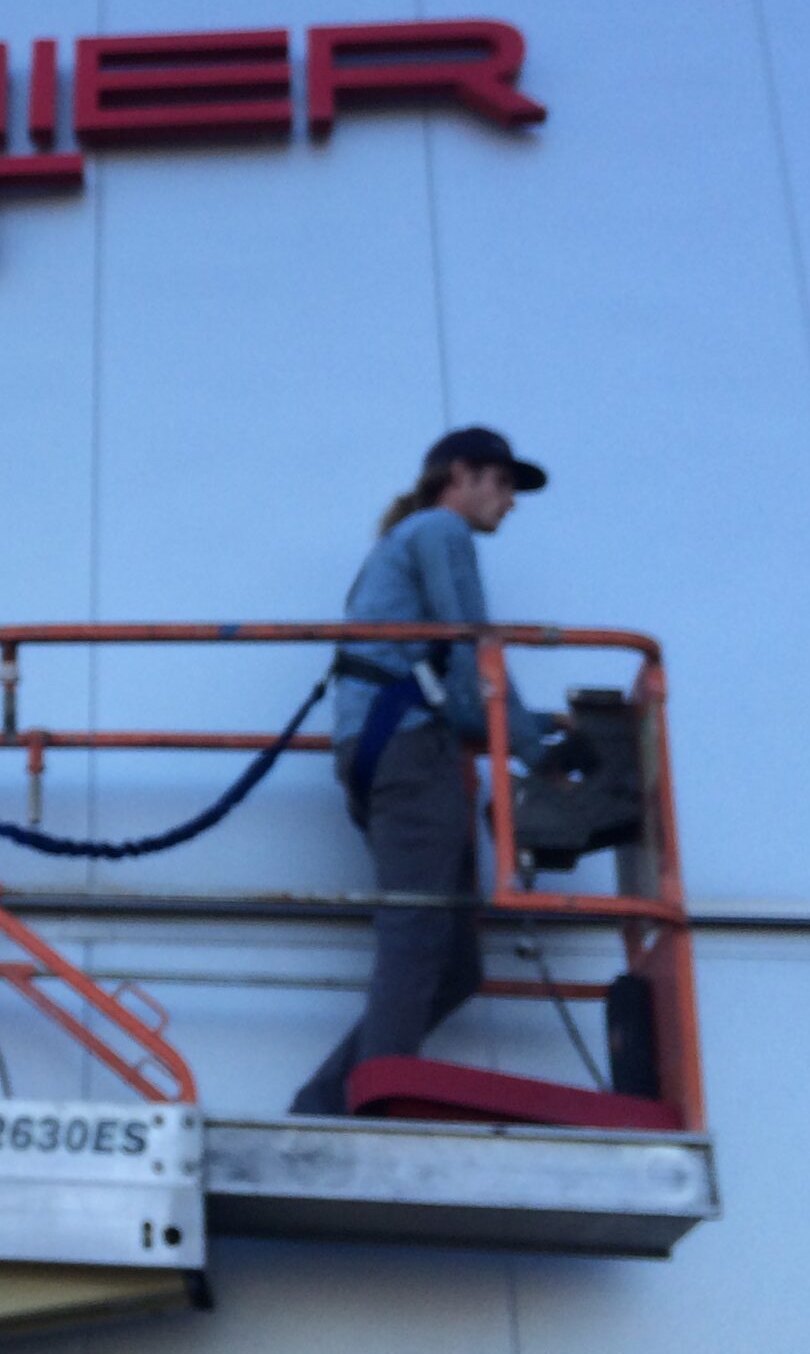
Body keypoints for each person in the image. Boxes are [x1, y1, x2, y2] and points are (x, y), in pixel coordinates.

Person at [289, 425, 561, 1118]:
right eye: (502, 484)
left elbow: (455, 687)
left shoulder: (402, 542)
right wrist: (542, 757)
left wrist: (539, 730)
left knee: (455, 966)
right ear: (459, 475)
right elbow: (475, 652)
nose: (510, 501)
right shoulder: (441, 531)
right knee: (416, 936)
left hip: (393, 748)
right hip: (409, 753)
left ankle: (326, 1102)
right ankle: (367, 1117)